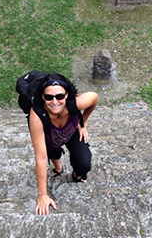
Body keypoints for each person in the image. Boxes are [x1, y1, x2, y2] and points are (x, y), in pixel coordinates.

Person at [28, 73, 99, 216]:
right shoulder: (37, 116)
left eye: (60, 96)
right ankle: (58, 168)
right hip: (49, 135)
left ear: (67, 95)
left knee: (84, 164)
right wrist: (42, 195)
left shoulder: (75, 104)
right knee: (52, 151)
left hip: (72, 132)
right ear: (42, 97)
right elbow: (41, 158)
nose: (54, 102)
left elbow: (94, 97)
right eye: (49, 97)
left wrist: (82, 123)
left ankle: (76, 173)